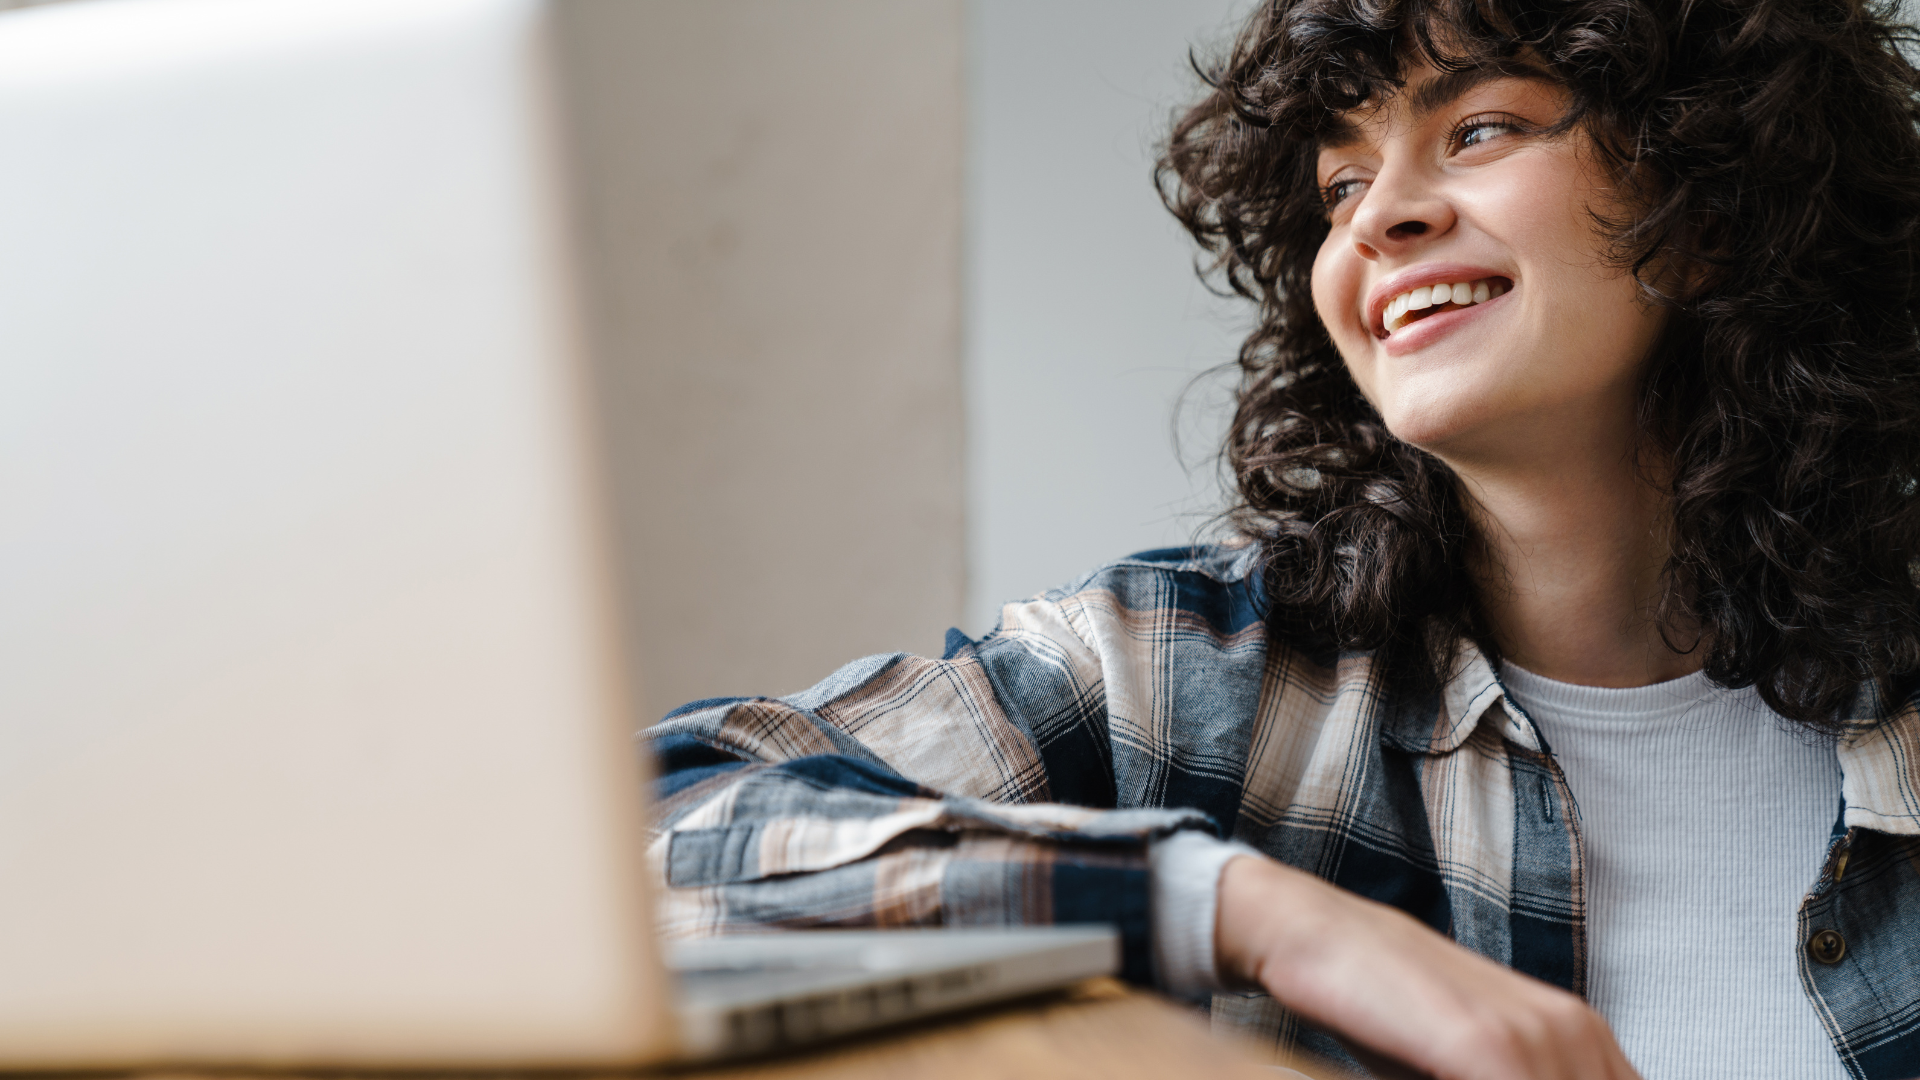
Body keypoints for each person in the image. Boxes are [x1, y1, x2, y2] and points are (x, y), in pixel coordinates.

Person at [639, 1, 1920, 1077]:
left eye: (1478, 129)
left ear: (1712, 212)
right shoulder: (1179, 681)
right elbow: (649, 836)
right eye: (1341, 184)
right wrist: (1246, 911)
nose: (1378, 219)